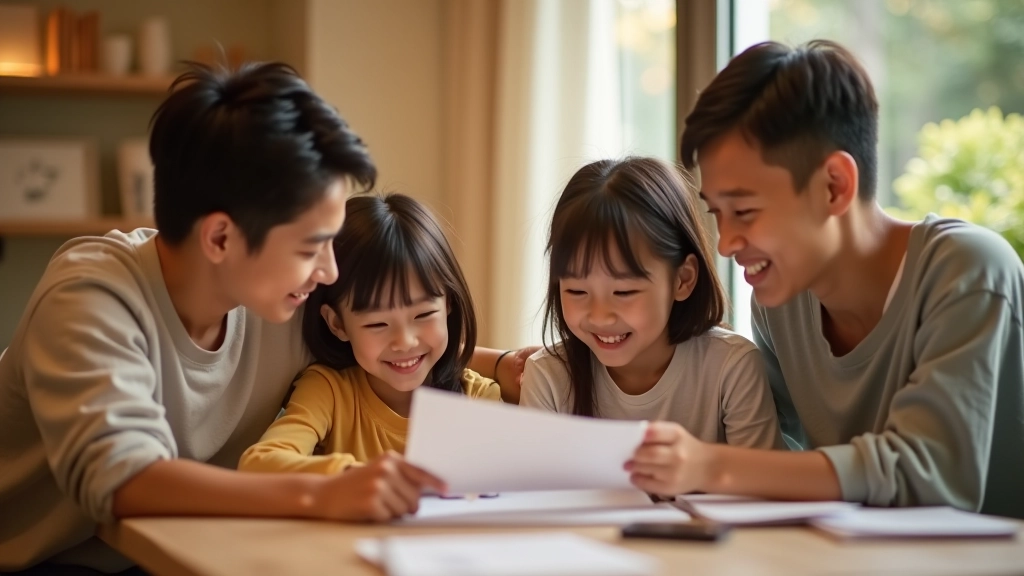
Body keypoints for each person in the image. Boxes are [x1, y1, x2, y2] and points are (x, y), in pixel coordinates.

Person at [0, 62, 447, 574]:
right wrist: (321, 492)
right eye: (311, 248)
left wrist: (500, 363)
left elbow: (380, 334)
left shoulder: (280, 296)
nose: (329, 271)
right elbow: (125, 481)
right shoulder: (88, 299)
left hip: (165, 555)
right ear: (220, 238)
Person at [628, 40, 1024, 518]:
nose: (726, 244)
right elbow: (778, 458)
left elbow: (926, 474)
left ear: (834, 186)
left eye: (745, 211)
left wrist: (711, 465)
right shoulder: (777, 304)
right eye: (717, 214)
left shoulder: (968, 270)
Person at [520, 157, 781, 451]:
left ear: (682, 279)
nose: (600, 317)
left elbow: (761, 477)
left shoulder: (732, 367)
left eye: (624, 292)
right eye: (577, 291)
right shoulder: (547, 377)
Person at [239, 193, 500, 474]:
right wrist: (354, 477)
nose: (405, 342)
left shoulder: (477, 397)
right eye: (378, 324)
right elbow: (258, 464)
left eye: (423, 315)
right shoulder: (329, 391)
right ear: (337, 324)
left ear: (448, 303)